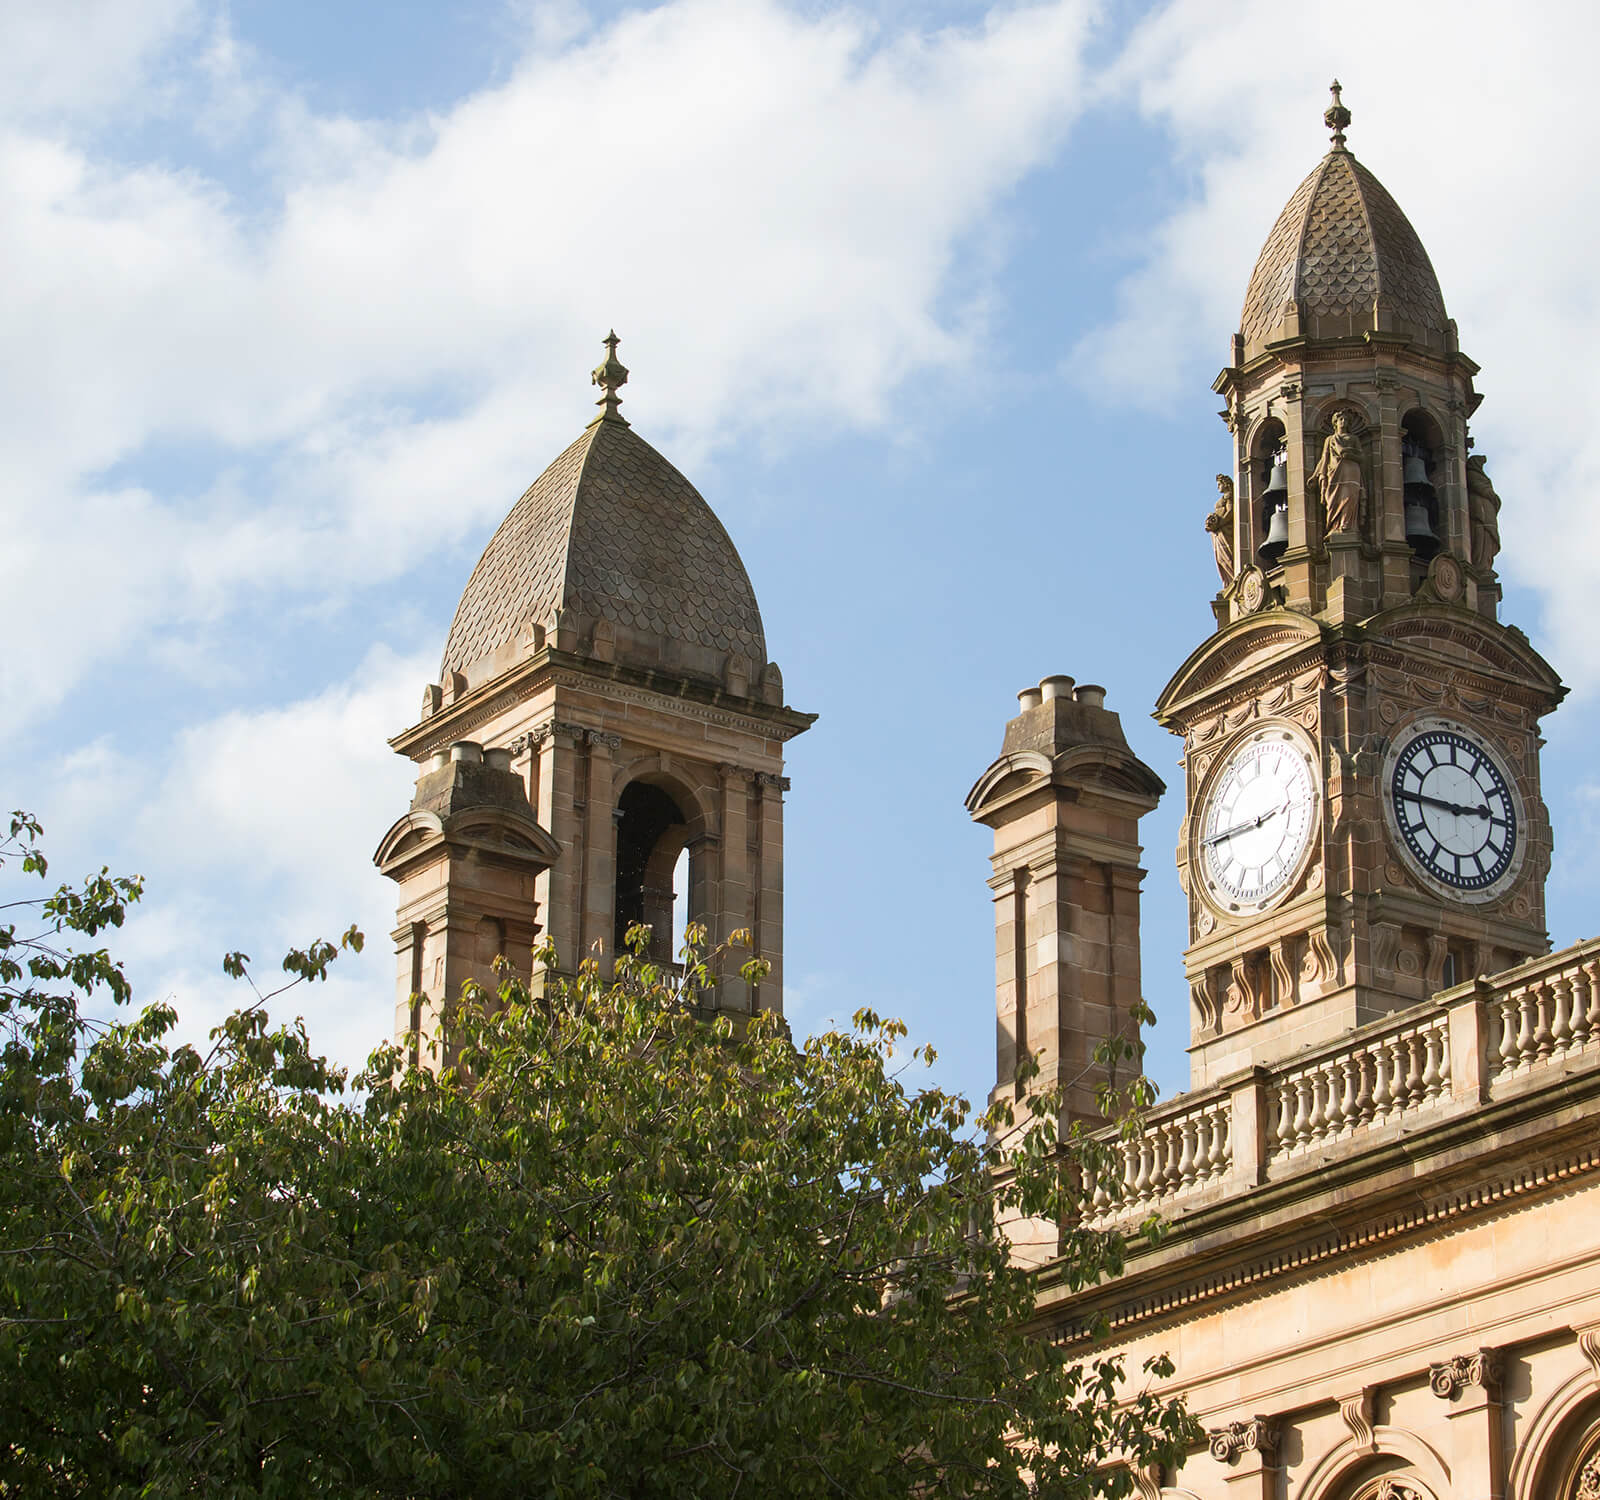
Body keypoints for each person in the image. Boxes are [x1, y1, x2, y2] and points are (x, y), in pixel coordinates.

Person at [1310, 410, 1366, 536]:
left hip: (1351, 471)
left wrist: (1349, 455)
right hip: (1334, 472)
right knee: (1333, 500)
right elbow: (1324, 458)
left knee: (1350, 497)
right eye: (1341, 419)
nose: (1343, 422)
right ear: (1335, 422)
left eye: (1346, 420)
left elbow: (1362, 457)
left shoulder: (1353, 438)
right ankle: (1335, 526)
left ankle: (1348, 526)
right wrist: (1316, 475)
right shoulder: (1330, 439)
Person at [1205, 474, 1235, 584]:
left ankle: (1234, 577)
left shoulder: (1229, 496)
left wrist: (1219, 523)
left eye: (1219, 484)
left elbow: (1230, 512)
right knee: (1220, 558)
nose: (1218, 487)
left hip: (1224, 530)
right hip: (1218, 532)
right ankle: (1228, 581)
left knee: (1226, 557)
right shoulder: (1224, 498)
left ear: (1226, 484)